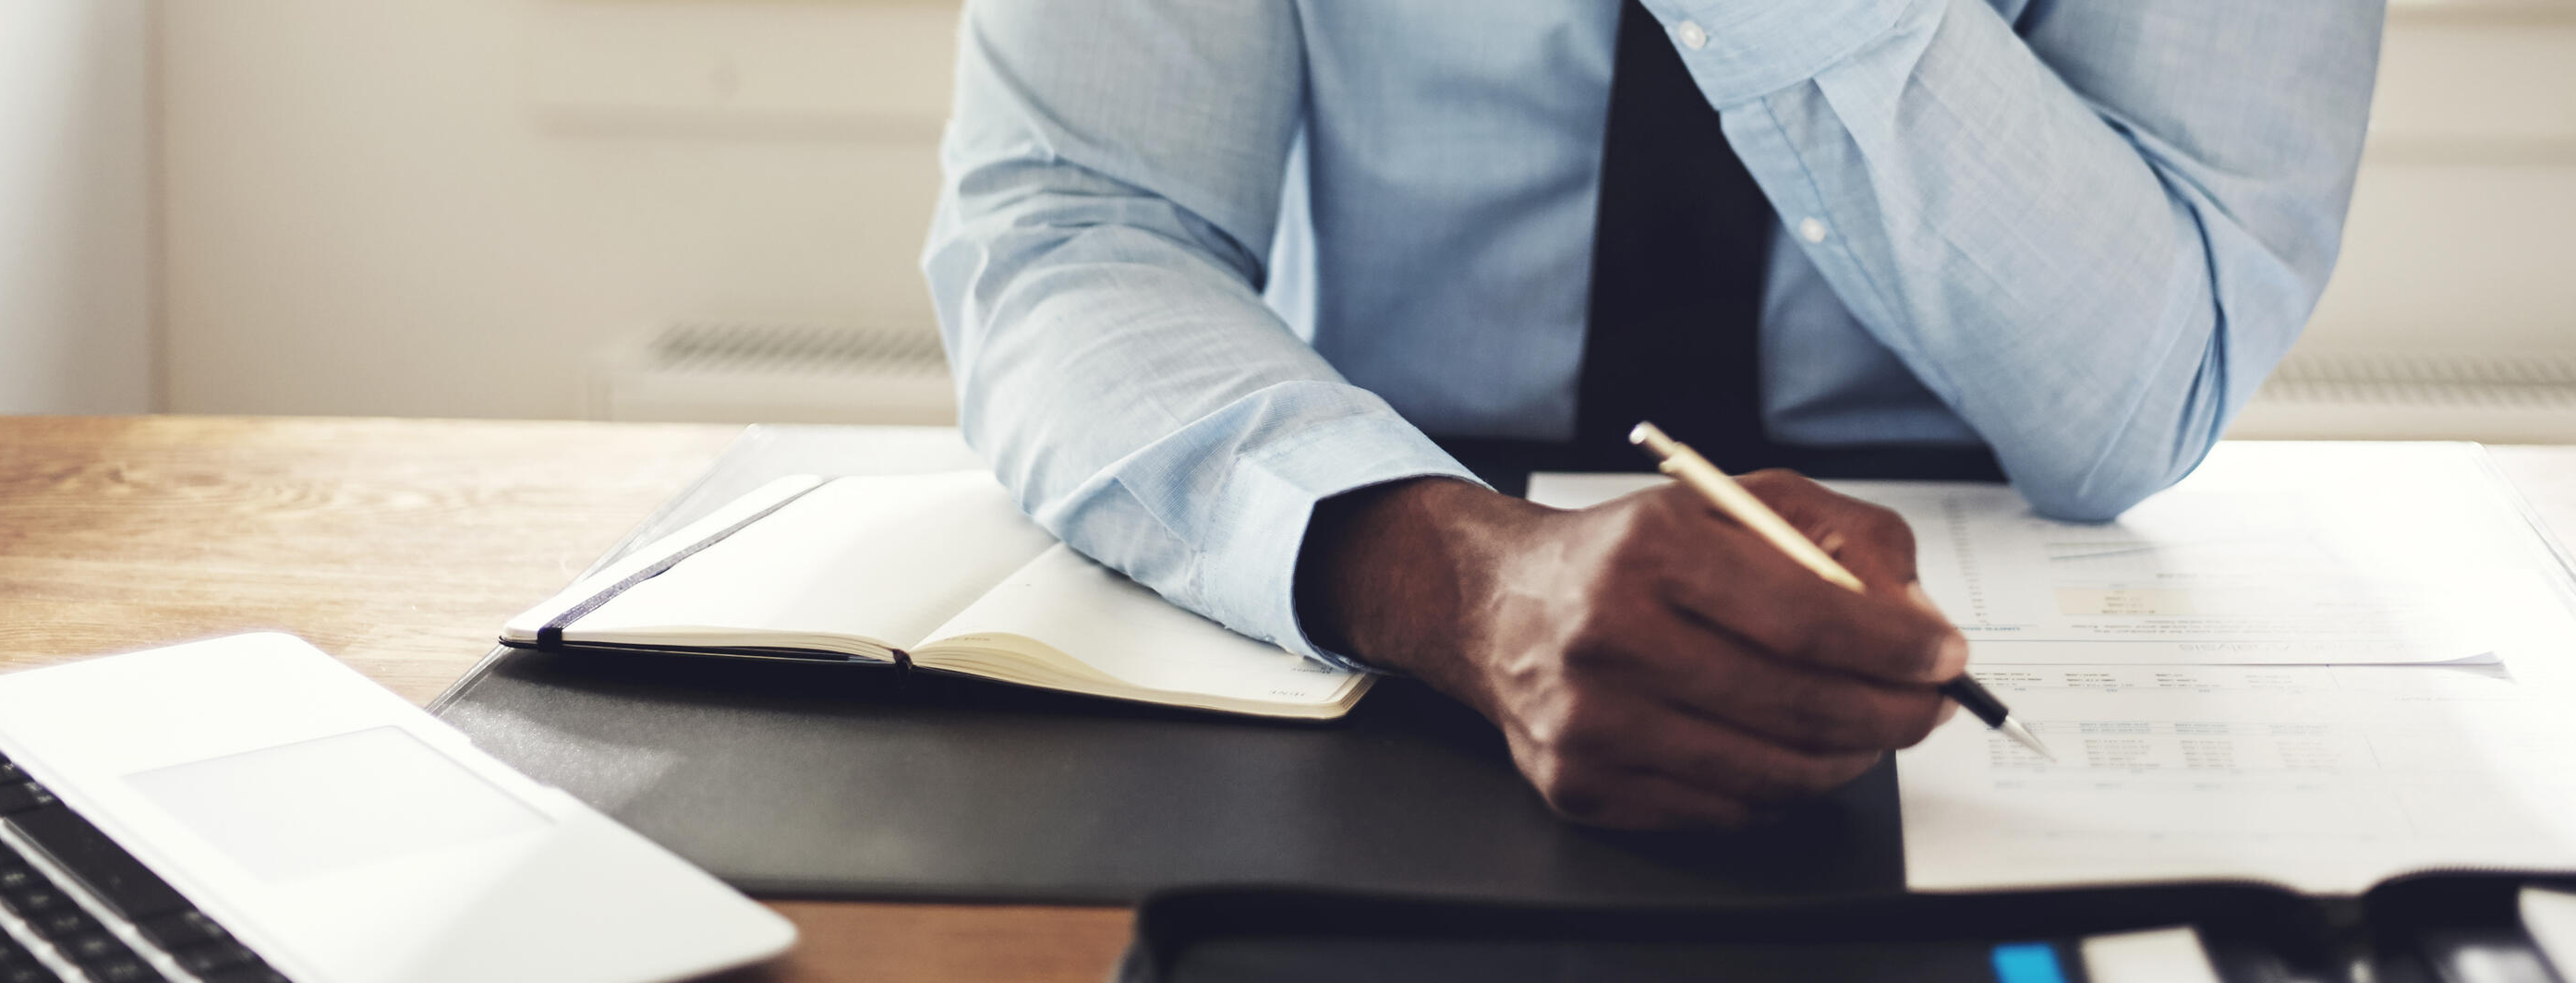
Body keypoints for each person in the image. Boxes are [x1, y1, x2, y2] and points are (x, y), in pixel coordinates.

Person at [921, 0, 2382, 829]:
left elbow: (2143, 394)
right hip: (1363, 575)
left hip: (1977, 621)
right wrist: (1448, 574)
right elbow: (1075, 232)